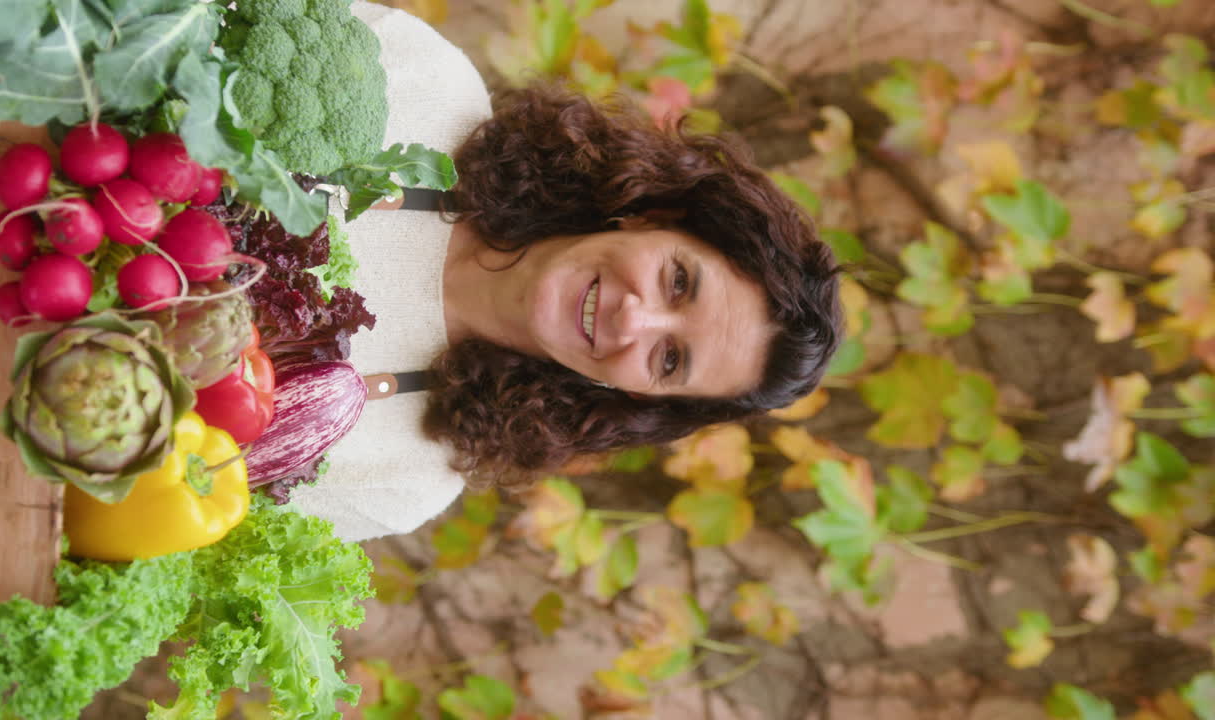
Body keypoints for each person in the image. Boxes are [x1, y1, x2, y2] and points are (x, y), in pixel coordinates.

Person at [287, 3, 843, 541]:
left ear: (641, 399)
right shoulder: (423, 82)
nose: (634, 318)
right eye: (678, 282)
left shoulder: (402, 481)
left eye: (669, 358)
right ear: (656, 218)